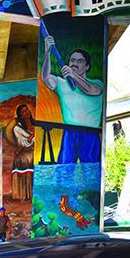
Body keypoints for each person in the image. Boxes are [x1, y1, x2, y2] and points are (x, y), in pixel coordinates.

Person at [41, 35, 102, 164]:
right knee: (65, 169)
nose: (74, 63)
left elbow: (90, 90)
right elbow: (46, 78)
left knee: (90, 171)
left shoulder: (97, 84)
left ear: (87, 66)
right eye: (72, 60)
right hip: (69, 132)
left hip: (90, 134)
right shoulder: (62, 83)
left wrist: (72, 74)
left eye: (79, 61)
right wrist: (47, 52)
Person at [10, 104, 35, 200]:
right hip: (26, 154)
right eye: (23, 111)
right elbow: (22, 142)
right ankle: (26, 195)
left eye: (27, 110)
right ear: (20, 115)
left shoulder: (35, 124)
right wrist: (33, 136)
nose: (27, 112)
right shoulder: (17, 128)